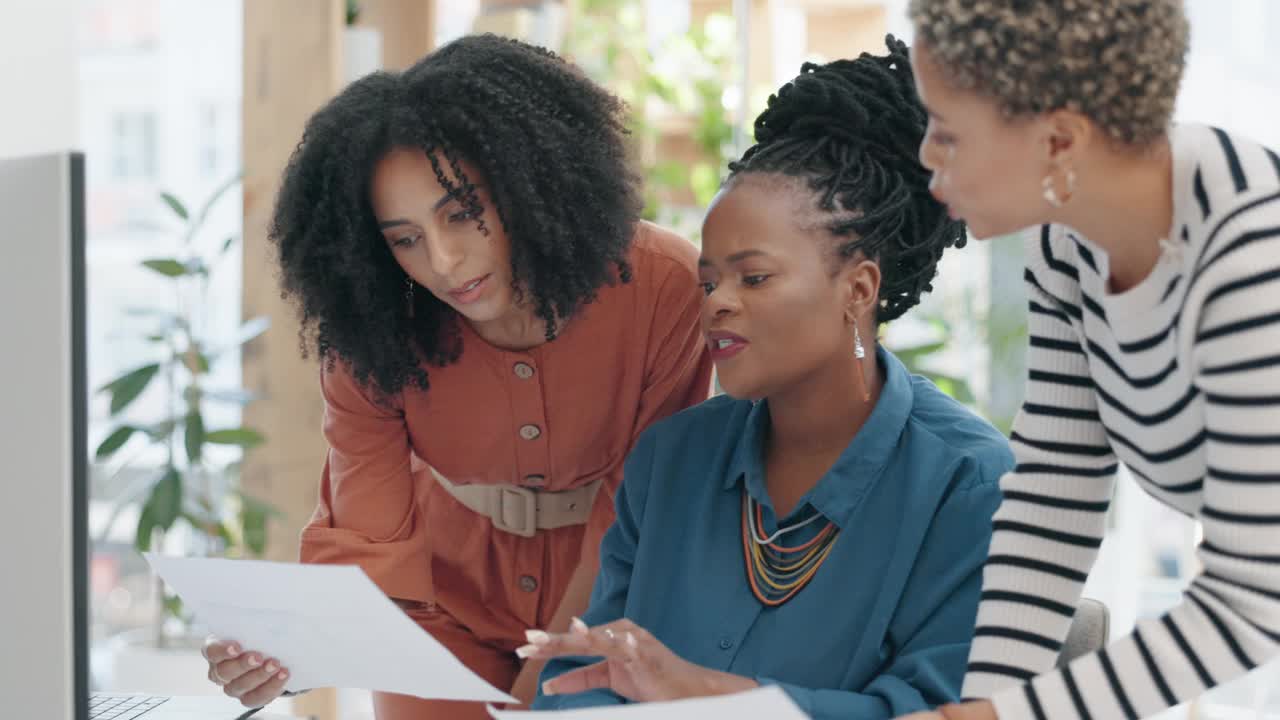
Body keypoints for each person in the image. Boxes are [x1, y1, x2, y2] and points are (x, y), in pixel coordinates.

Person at [198, 34, 712, 719]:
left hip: (612, 593)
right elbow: (367, 531)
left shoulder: (663, 285)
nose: (443, 261)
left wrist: (548, 674)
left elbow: (636, 511)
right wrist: (288, 657)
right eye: (404, 238)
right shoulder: (370, 328)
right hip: (436, 613)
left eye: (464, 213)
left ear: (532, 183)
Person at [520, 38, 1015, 719]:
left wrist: (697, 690)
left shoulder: (970, 485)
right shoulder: (669, 461)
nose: (717, 301)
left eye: (754, 277)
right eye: (708, 281)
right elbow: (583, 680)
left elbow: (941, 710)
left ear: (858, 289)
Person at [899, 2, 1280, 719]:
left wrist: (1003, 716)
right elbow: (1056, 492)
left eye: (947, 133)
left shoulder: (1252, 253)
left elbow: (1252, 600)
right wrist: (988, 704)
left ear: (1059, 141)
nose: (926, 155)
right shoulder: (1065, 243)